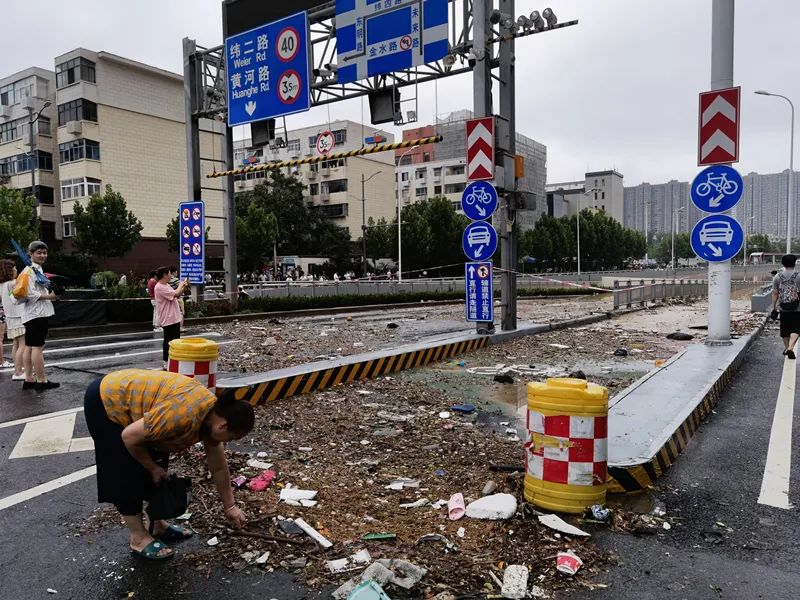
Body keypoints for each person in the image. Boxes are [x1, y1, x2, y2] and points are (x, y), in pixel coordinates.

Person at [83, 369, 254, 560]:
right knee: (125, 469)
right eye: (232, 437)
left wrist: (230, 507)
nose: (228, 441)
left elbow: (219, 468)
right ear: (222, 425)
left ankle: (158, 525)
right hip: (107, 401)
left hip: (145, 410)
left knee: (157, 461)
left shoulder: (211, 418)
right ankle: (138, 537)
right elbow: (130, 437)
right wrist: (151, 467)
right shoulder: (182, 415)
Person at [12, 241, 58, 390]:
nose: (42, 255)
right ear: (30, 254)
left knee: (30, 347)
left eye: (44, 252)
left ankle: (29, 379)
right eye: (39, 253)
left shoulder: (32, 270)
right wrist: (49, 297)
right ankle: (42, 381)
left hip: (31, 314)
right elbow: (29, 293)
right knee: (38, 346)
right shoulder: (30, 271)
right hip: (37, 313)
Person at [154, 266, 189, 369]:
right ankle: (166, 361)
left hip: (173, 317)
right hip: (168, 318)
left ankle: (173, 360)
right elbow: (176, 293)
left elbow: (177, 295)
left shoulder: (166, 285)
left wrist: (184, 287)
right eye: (169, 274)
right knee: (170, 341)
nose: (171, 276)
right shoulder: (160, 287)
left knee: (175, 341)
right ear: (165, 275)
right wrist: (182, 284)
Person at [771, 254, 800, 359]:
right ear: (794, 263)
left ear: (783, 263)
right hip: (797, 307)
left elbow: (775, 293)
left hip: (783, 307)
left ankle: (788, 347)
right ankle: (790, 348)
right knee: (796, 328)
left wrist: (774, 307)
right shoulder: (799, 275)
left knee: (785, 330)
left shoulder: (777, 276)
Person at [0, 260, 26, 379]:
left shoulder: (2, 284)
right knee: (23, 345)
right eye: (15, 268)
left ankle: (18, 369)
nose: (16, 270)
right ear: (9, 270)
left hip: (10, 317)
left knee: (15, 344)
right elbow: (21, 298)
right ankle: (18, 372)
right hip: (18, 316)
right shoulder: (13, 283)